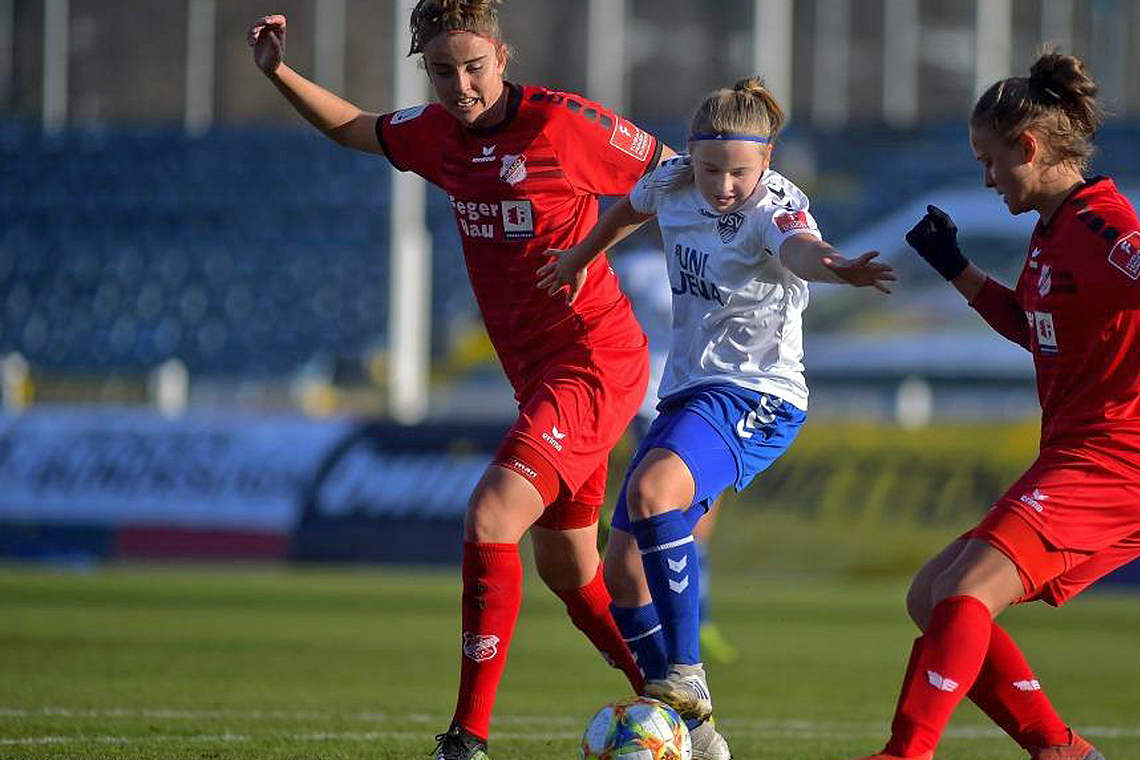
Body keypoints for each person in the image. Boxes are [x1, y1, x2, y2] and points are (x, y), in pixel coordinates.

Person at [247, 3, 680, 759]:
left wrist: (602, 246)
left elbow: (671, 173)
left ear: (502, 55)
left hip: (594, 361)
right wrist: (279, 71)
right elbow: (354, 126)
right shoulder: (437, 134)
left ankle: (466, 739)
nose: (461, 85)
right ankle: (677, 706)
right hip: (538, 374)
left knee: (489, 516)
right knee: (570, 574)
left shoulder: (563, 124)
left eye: (473, 66)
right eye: (442, 71)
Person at [842, 50, 1140, 760]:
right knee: (931, 595)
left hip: (1118, 462)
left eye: (991, 161)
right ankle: (1061, 749)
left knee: (967, 592)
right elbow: (1032, 328)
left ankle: (907, 752)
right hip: (1082, 456)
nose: (986, 179)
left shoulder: (1098, 223)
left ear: (1030, 146)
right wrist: (955, 266)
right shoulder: (1053, 233)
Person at [539, 77, 898, 760]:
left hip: (759, 395)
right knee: (620, 576)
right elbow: (625, 211)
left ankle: (686, 676)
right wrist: (581, 259)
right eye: (712, 170)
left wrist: (836, 267)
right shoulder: (672, 180)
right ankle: (699, 740)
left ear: (766, 164)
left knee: (651, 495)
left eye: (740, 172)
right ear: (692, 159)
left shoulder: (779, 203)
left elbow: (798, 250)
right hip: (689, 392)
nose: (725, 185)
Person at [613, 251, 740, 665]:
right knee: (659, 506)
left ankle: (695, 625)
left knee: (699, 524)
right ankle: (681, 633)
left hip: (707, 395)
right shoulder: (635, 267)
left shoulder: (713, 250)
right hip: (652, 397)